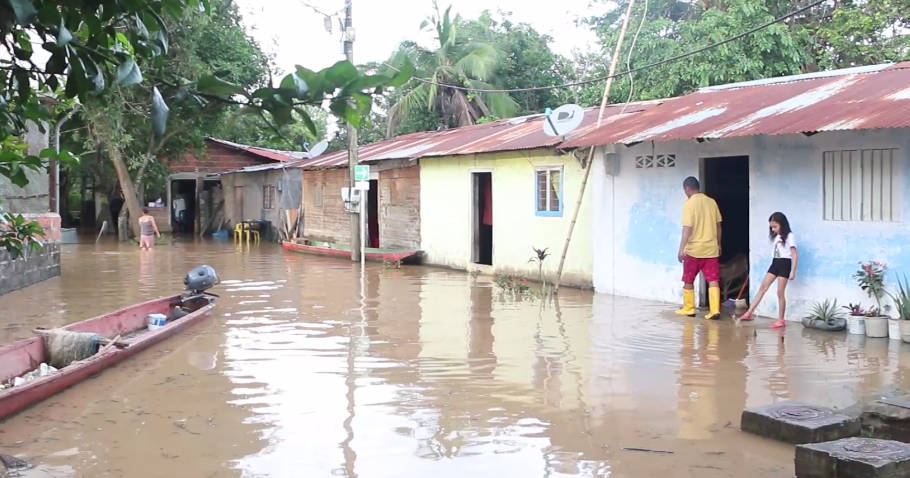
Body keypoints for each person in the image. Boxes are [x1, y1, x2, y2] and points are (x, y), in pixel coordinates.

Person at [675, 177, 723, 320]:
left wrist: (681, 248)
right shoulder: (711, 202)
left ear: (688, 189)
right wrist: (719, 244)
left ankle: (689, 308)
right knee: (713, 279)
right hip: (711, 249)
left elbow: (687, 228)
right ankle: (715, 310)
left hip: (694, 250)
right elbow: (718, 226)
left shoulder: (689, 204)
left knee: (688, 279)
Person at [739, 212, 798, 328]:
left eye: (775, 226)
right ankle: (749, 312)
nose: (773, 229)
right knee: (763, 287)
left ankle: (781, 320)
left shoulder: (790, 236)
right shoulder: (777, 236)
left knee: (780, 292)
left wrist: (793, 271)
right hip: (775, 262)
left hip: (785, 263)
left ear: (783, 224)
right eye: (771, 227)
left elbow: (794, 255)